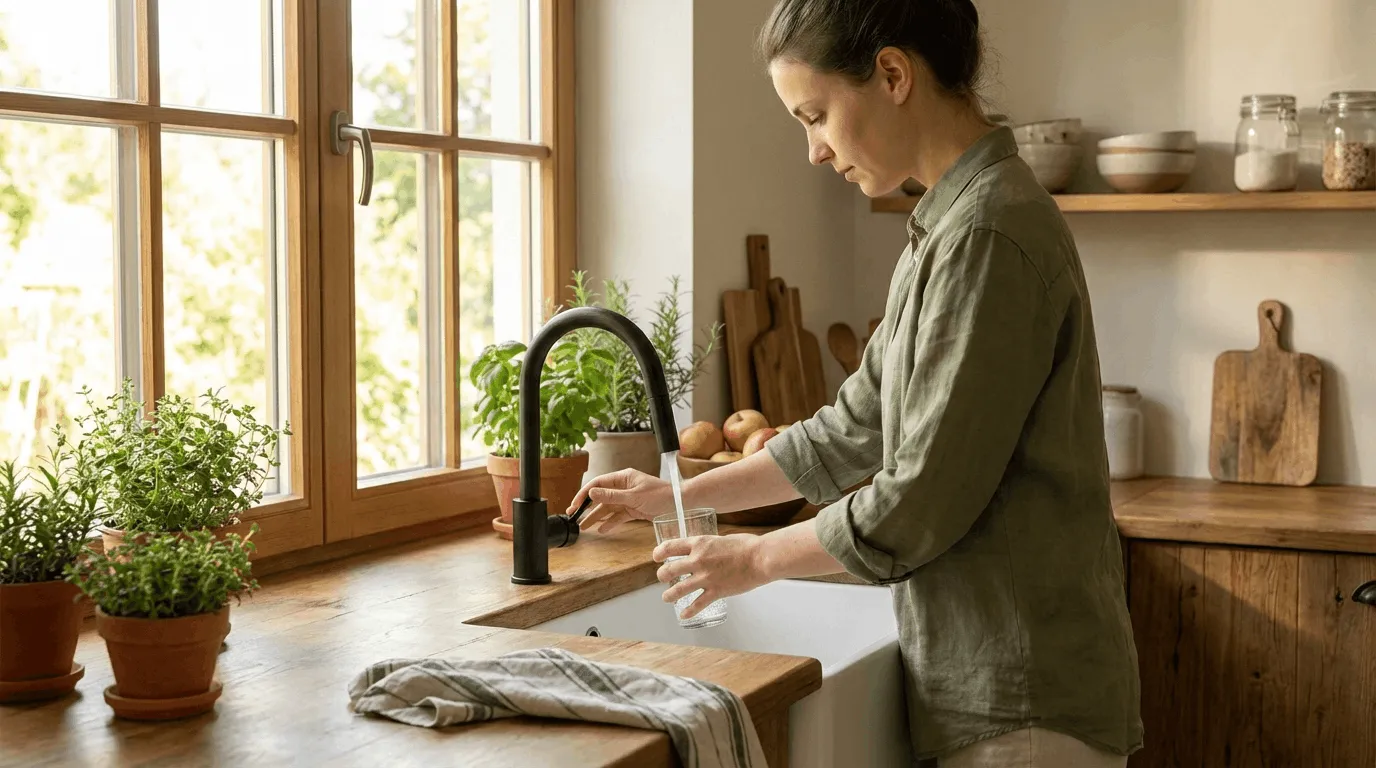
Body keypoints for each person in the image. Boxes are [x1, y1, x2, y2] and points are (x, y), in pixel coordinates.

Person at [566, 0, 1143, 764]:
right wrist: (676, 497)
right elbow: (851, 430)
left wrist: (754, 561)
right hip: (1001, 686)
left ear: (893, 74)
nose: (812, 150)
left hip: (1024, 699)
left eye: (815, 115)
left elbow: (919, 501)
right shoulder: (947, 226)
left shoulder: (986, 235)